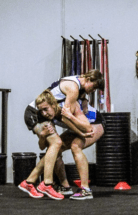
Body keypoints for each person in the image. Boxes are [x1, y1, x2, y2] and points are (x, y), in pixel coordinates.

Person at [18, 70, 104, 200]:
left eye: (96, 89)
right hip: (33, 114)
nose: (93, 91)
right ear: (88, 80)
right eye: (94, 87)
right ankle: (45, 183)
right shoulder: (71, 90)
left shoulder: (74, 95)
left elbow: (73, 120)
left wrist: (83, 101)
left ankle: (32, 182)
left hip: (95, 122)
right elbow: (65, 117)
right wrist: (78, 131)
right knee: (56, 144)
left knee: (63, 145)